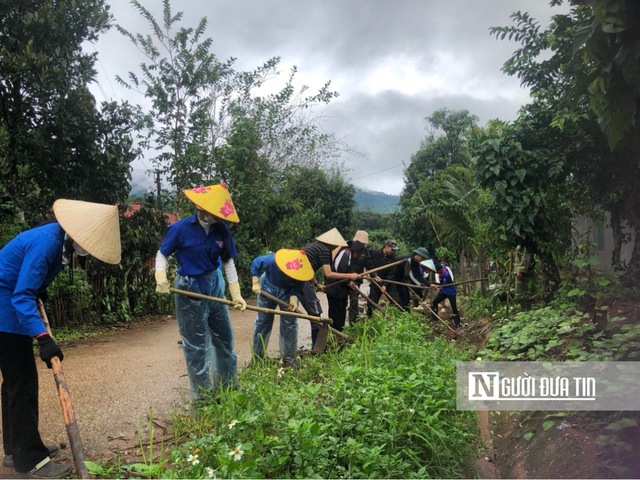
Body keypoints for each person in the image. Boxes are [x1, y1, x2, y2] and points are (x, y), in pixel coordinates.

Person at [0, 199, 121, 478]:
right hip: (5, 310)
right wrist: (43, 338)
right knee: (23, 385)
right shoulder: (48, 242)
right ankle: (31, 461)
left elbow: (30, 284)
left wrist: (38, 291)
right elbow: (21, 294)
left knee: (13, 386)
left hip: (9, 305)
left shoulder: (58, 240)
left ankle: (15, 450)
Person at [154, 184, 247, 401]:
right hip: (189, 288)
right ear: (202, 209)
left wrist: (236, 293)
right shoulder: (180, 229)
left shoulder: (222, 229)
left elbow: (228, 261)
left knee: (224, 339)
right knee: (196, 346)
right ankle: (204, 398)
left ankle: (228, 389)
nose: (217, 217)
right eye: (214, 214)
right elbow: (162, 254)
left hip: (214, 286)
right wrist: (160, 277)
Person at [250, 249, 314, 368]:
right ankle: (257, 358)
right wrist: (255, 281)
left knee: (290, 322)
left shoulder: (302, 271)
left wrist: (294, 297)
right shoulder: (273, 260)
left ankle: (289, 359)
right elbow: (256, 263)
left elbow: (299, 284)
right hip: (267, 286)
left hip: (287, 292)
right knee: (263, 321)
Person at [299, 228, 360, 348]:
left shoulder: (313, 245)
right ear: (331, 243)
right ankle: (317, 349)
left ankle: (319, 345)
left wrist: (317, 283)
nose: (335, 247)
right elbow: (329, 274)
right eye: (335, 245)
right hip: (301, 280)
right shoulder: (324, 250)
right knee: (316, 314)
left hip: (299, 276)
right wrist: (350, 276)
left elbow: (308, 268)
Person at [366, 239, 400, 316]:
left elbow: (392, 273)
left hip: (388, 281)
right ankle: (370, 317)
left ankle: (396, 317)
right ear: (386, 247)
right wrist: (375, 275)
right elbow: (370, 266)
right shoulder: (374, 254)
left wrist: (385, 285)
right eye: (392, 249)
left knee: (395, 300)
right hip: (376, 280)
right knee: (372, 301)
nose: (392, 252)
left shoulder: (393, 258)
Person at [428, 262, 461, 329]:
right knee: (435, 302)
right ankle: (434, 317)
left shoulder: (446, 275)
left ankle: (458, 324)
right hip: (443, 291)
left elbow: (442, 284)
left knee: (454, 308)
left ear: (440, 270)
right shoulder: (441, 267)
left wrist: (435, 285)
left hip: (451, 292)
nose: (437, 273)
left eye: (438, 272)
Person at [346, 230, 369, 324]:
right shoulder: (347, 247)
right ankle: (338, 325)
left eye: (362, 243)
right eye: (359, 242)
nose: (361, 244)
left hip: (356, 280)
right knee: (341, 301)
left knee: (354, 302)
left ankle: (353, 324)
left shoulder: (365, 251)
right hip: (343, 278)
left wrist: (374, 275)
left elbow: (369, 265)